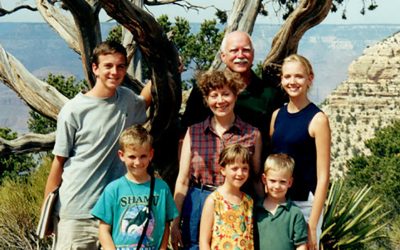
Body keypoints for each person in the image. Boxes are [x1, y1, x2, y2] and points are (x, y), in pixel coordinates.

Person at [43, 41, 151, 249]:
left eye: (120, 66)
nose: (115, 72)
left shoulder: (126, 100)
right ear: (95, 68)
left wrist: (163, 74)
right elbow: (58, 163)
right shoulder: (73, 111)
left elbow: (143, 102)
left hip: (114, 211)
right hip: (77, 212)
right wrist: (46, 213)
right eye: (108, 66)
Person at [172, 70, 262, 250]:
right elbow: (182, 180)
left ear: (236, 95)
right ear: (206, 100)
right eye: (214, 95)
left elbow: (256, 179)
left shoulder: (252, 134)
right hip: (199, 200)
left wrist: (265, 214)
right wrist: (175, 221)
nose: (220, 101)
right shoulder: (194, 132)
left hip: (236, 205)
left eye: (226, 94)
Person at [181, 31, 286, 160]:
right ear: (223, 56)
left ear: (253, 54)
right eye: (234, 50)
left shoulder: (269, 93)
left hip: (252, 170)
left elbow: (276, 139)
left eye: (246, 50)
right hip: (207, 168)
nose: (240, 55)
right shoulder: (204, 90)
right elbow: (185, 133)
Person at [270, 54, 331, 250]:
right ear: (281, 79)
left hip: (305, 204)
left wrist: (312, 224)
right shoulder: (277, 115)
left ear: (309, 78)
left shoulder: (318, 119)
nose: (292, 82)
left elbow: (323, 177)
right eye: (287, 77)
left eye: (298, 76)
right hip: (278, 201)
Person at [91, 125, 178, 249]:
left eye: (143, 156)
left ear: (151, 154)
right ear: (121, 155)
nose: (137, 162)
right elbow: (103, 230)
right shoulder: (113, 190)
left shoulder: (162, 188)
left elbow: (165, 225)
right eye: (132, 157)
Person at [199, 144, 254, 250]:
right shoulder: (214, 200)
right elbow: (204, 241)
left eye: (244, 169)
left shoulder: (248, 201)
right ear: (223, 170)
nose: (240, 173)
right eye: (234, 168)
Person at [254, 153, 308, 250]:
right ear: (264, 179)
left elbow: (301, 245)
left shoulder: (295, 213)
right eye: (273, 181)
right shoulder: (256, 209)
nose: (277, 186)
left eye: (282, 182)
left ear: (290, 182)